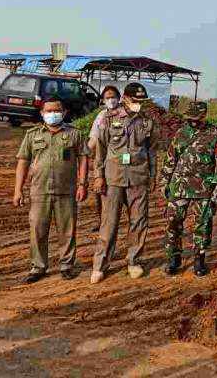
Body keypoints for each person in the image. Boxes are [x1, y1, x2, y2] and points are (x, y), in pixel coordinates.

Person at [13, 96, 89, 283]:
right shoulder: (32, 134)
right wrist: (18, 190)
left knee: (67, 230)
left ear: (64, 113)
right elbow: (23, 162)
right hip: (39, 190)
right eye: (49, 111)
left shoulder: (74, 134)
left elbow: (84, 159)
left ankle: (67, 266)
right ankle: (38, 267)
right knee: (37, 230)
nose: (53, 114)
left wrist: (82, 184)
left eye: (56, 111)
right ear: (42, 113)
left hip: (67, 190)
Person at [91, 82, 158, 284]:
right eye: (135, 100)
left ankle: (134, 261)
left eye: (142, 101)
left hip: (138, 177)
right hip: (113, 178)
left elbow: (152, 150)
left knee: (138, 221)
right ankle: (100, 265)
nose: (139, 104)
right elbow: (100, 149)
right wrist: (98, 175)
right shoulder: (108, 118)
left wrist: (153, 175)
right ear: (125, 99)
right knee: (108, 223)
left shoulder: (147, 121)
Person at [160, 101, 217, 277]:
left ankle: (199, 258)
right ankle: (173, 257)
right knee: (173, 222)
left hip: (204, 188)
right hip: (179, 186)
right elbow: (171, 158)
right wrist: (164, 181)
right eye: (189, 119)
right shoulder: (181, 133)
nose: (192, 122)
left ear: (204, 116)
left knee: (203, 224)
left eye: (196, 119)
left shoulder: (216, 133)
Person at [88, 85, 123, 232]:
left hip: (120, 161)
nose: (111, 100)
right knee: (100, 190)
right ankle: (102, 220)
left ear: (119, 98)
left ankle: (112, 222)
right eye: (107, 97)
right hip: (104, 158)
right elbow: (94, 138)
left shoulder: (124, 114)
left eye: (113, 97)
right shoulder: (101, 116)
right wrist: (85, 154)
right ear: (103, 100)